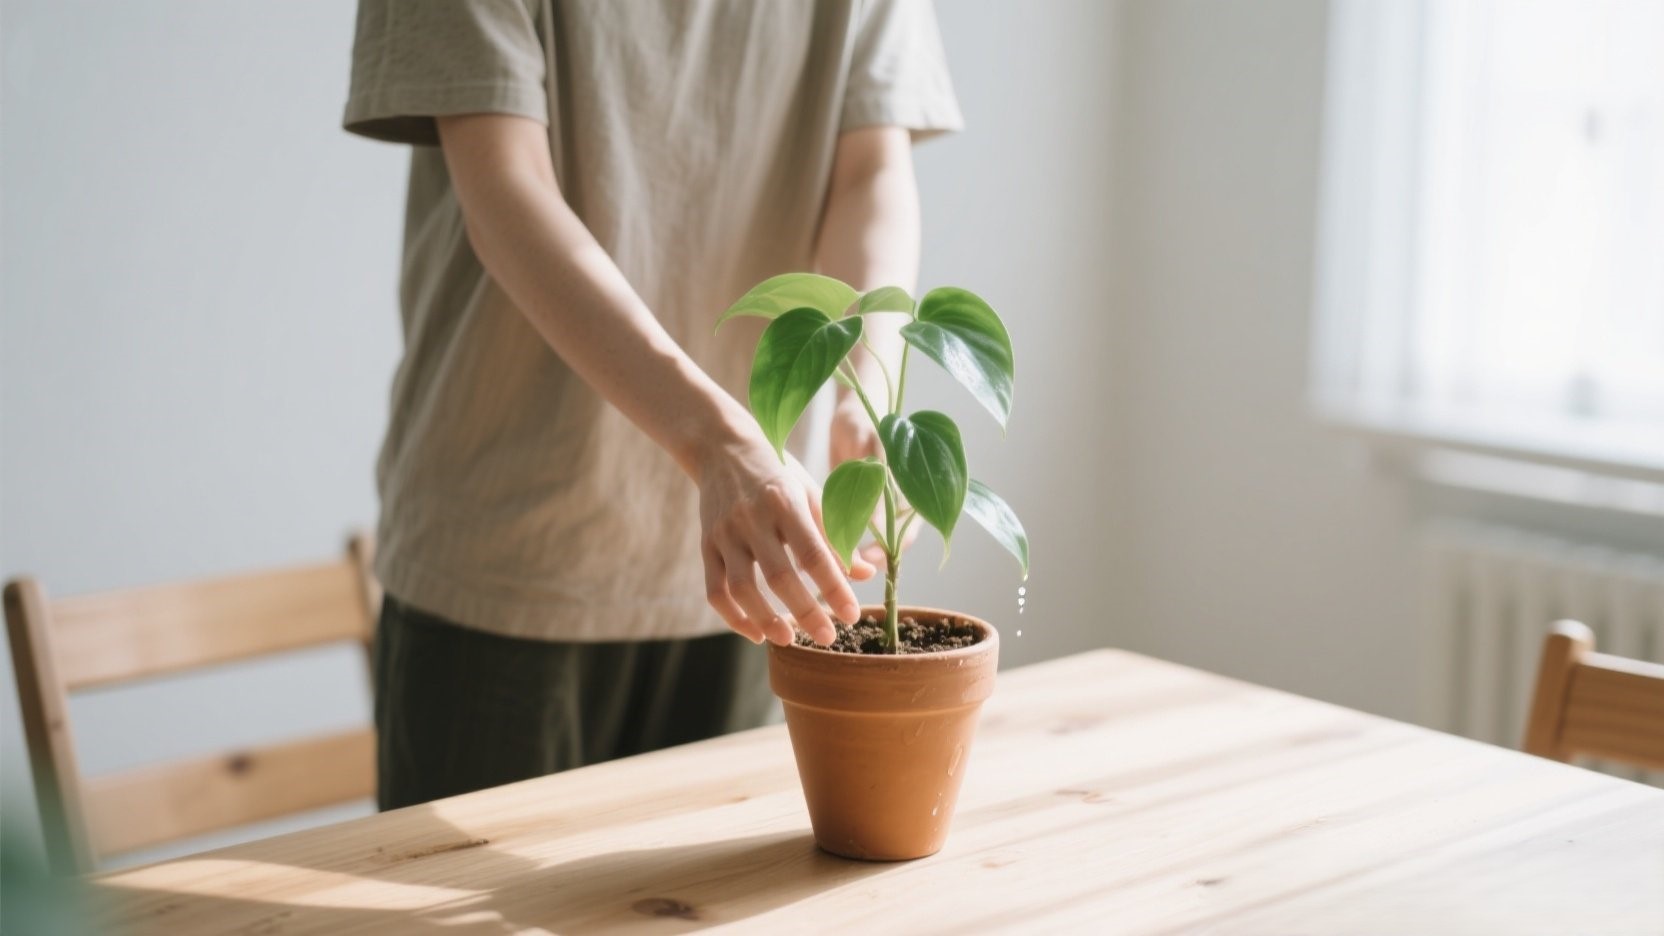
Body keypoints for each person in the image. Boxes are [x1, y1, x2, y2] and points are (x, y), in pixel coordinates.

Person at [343, 0, 960, 810]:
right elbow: (504, 183)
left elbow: (873, 167)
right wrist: (717, 440)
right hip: (508, 564)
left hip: (764, 570)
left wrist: (868, 390)